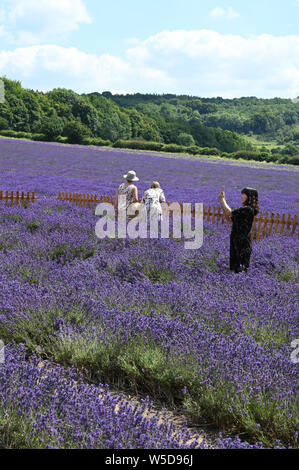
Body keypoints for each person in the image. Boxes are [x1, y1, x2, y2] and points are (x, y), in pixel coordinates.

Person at [218, 187, 259, 273]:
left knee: (240, 269)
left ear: (249, 197)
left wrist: (223, 200)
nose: (241, 196)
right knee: (234, 268)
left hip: (242, 243)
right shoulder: (244, 210)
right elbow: (229, 218)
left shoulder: (248, 209)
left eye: (244, 194)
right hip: (235, 241)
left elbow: (230, 212)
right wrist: (222, 202)